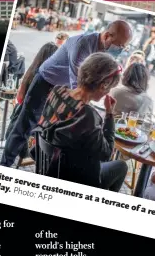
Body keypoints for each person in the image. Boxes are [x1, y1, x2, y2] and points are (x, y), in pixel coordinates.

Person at [0, 20, 132, 167]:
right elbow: (80, 84)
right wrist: (89, 113)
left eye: (124, 47)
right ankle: (5, 164)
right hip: (46, 81)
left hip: (62, 88)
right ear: (107, 36)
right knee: (24, 126)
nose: (121, 49)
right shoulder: (83, 44)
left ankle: (42, 156)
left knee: (52, 130)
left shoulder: (104, 50)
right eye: (120, 45)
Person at [35, 52, 127, 191]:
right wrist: (109, 115)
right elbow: (106, 154)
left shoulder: (57, 91)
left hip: (51, 167)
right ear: (103, 85)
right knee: (121, 166)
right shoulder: (87, 115)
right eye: (109, 88)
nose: (107, 92)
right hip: (76, 179)